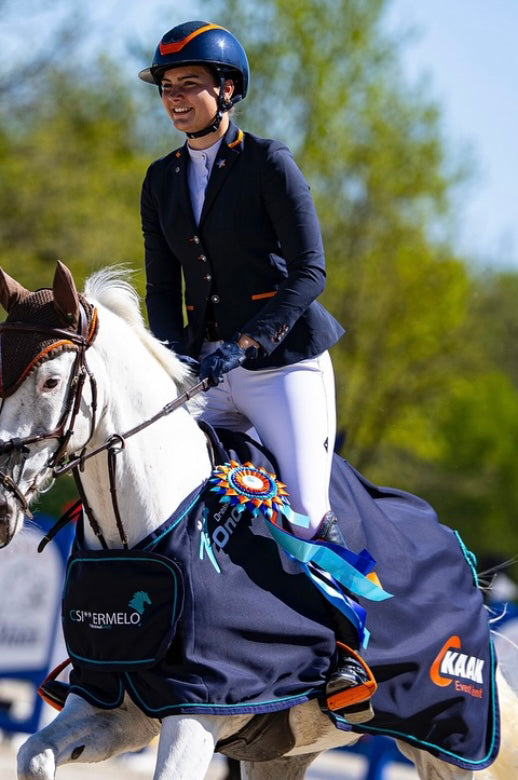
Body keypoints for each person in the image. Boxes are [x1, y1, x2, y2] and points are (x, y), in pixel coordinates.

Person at [137, 21, 373, 723]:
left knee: (306, 506)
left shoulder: (270, 163)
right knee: (154, 486)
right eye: (167, 89)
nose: (175, 100)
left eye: (189, 86)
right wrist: (174, 354)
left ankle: (346, 655)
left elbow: (311, 272)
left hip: (284, 365)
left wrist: (245, 343)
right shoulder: (161, 179)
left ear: (227, 90)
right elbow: (160, 288)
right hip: (208, 369)